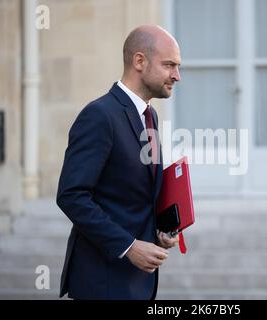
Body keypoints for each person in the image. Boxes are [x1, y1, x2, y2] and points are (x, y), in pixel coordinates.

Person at [56, 25, 182, 300]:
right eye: (169, 65)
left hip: (138, 284)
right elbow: (71, 195)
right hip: (102, 282)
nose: (177, 75)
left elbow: (134, 195)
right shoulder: (99, 115)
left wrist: (158, 232)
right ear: (139, 61)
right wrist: (128, 246)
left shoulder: (150, 117)